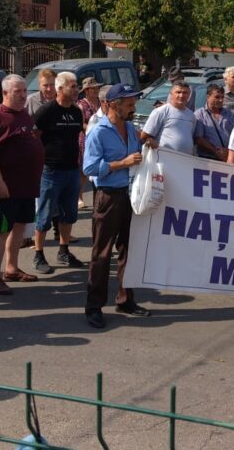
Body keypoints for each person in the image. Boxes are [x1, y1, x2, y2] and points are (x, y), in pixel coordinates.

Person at [82, 83, 149, 329]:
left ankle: (126, 299)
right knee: (101, 253)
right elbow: (89, 168)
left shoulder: (131, 128)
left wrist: (148, 145)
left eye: (133, 103)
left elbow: (138, 152)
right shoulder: (98, 131)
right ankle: (94, 306)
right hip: (108, 196)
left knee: (129, 251)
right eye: (129, 104)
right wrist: (122, 163)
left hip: (130, 194)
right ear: (113, 104)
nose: (134, 108)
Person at [0, 75, 46, 295]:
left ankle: (12, 269)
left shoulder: (23, 115)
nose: (22, 95)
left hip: (26, 186)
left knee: (19, 228)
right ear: (5, 93)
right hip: (6, 188)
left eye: (24, 91)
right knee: (1, 231)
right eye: (17, 91)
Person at [32, 72, 87, 274]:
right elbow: (33, 136)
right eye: (72, 86)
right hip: (51, 170)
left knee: (69, 214)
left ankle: (64, 251)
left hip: (71, 170)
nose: (76, 90)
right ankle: (39, 254)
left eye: (76, 86)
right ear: (60, 88)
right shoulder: (47, 111)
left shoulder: (76, 111)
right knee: (45, 216)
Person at [141, 79, 197, 155]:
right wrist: (150, 141)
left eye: (185, 93)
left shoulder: (191, 115)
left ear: (189, 95)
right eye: (178, 92)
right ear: (171, 94)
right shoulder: (161, 111)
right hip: (163, 159)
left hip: (184, 161)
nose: (181, 95)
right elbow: (144, 136)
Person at [76, 76, 101, 210]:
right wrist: (93, 130)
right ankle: (79, 197)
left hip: (99, 139)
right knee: (84, 170)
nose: (96, 90)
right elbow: (81, 123)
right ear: (86, 91)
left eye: (97, 88)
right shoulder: (81, 104)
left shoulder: (100, 102)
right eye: (93, 88)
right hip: (86, 138)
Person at [194, 84, 234, 161]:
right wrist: (216, 151)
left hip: (227, 158)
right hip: (207, 160)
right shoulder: (199, 114)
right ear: (208, 97)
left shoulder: (229, 114)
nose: (220, 100)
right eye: (217, 97)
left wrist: (228, 152)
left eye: (222, 97)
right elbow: (199, 139)